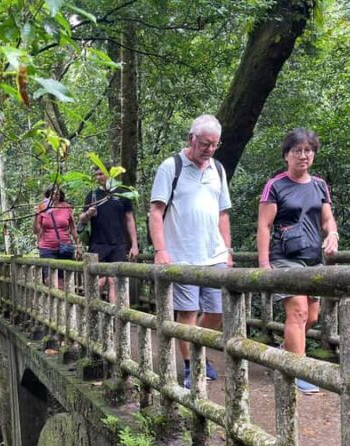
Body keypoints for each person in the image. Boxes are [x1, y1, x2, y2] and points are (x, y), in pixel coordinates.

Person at [149, 114, 233, 390]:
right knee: (187, 313)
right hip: (182, 254)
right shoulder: (170, 167)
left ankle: (197, 350)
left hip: (215, 254)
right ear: (191, 139)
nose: (209, 149)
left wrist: (228, 249)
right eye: (205, 143)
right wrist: (161, 250)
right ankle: (190, 365)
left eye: (215, 144)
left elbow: (223, 214)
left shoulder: (217, 170)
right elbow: (156, 211)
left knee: (218, 311)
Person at [256, 127, 339, 394]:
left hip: (313, 258)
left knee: (312, 316)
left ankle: (285, 351)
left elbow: (326, 219)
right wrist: (264, 263)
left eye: (308, 150)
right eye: (297, 151)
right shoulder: (276, 185)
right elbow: (264, 226)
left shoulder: (319, 185)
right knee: (298, 311)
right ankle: (299, 370)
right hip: (285, 258)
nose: (303, 156)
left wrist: (333, 234)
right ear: (286, 155)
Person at [79, 166, 139, 302]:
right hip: (98, 243)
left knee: (115, 281)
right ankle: (93, 317)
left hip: (118, 244)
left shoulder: (123, 193)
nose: (98, 177)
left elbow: (130, 219)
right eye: (96, 175)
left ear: (109, 174)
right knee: (98, 282)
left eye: (101, 174)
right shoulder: (93, 195)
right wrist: (89, 213)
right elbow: (81, 218)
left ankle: (115, 319)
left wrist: (134, 244)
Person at [33, 184, 79, 287]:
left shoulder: (67, 207)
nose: (55, 196)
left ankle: (63, 303)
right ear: (48, 195)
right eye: (53, 193)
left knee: (63, 280)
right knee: (49, 279)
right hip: (47, 247)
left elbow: (73, 228)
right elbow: (36, 230)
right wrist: (36, 215)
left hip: (64, 247)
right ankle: (52, 302)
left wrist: (78, 245)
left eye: (57, 193)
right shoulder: (42, 206)